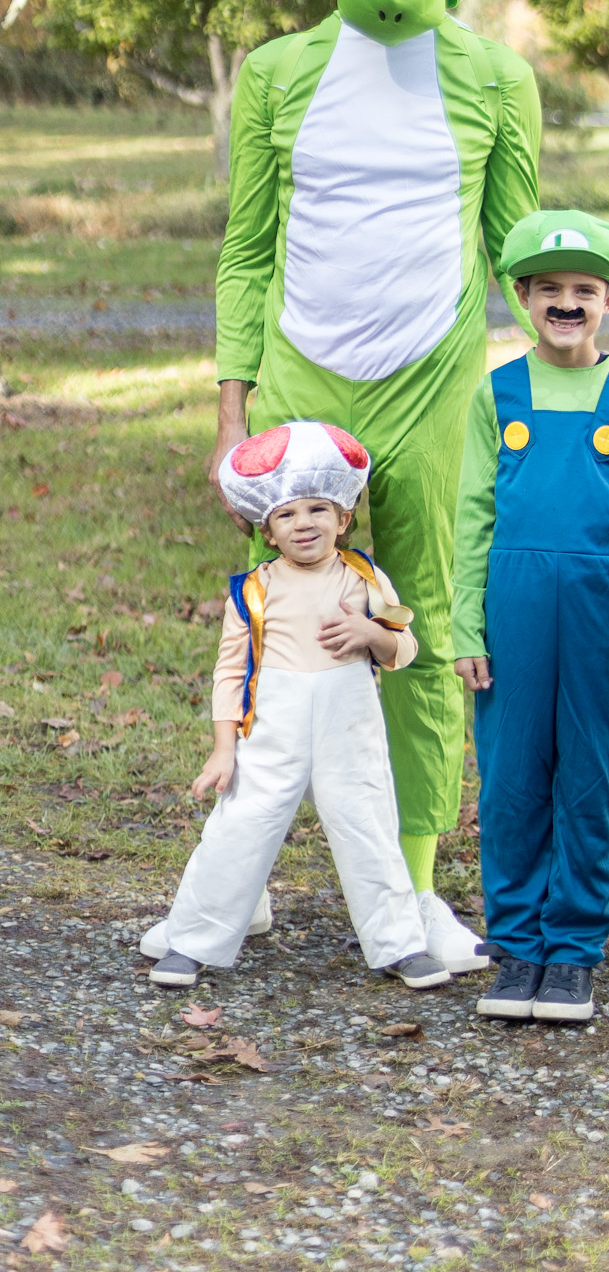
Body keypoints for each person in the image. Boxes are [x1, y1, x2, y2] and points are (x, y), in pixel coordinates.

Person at [210, 0, 540, 974]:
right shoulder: (277, 72)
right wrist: (230, 404)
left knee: (424, 627)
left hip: (436, 387)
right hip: (303, 389)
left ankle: (404, 883)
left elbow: (516, 250)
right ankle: (238, 860)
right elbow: (247, 249)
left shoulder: (495, 75)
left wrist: (547, 392)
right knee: (275, 620)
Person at [145, 422, 450, 992]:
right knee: (240, 826)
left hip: (348, 722)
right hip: (273, 727)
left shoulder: (363, 579)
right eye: (287, 515)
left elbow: (404, 649)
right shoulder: (253, 589)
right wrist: (222, 748)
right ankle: (195, 940)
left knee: (368, 825)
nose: (303, 523)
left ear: (343, 518)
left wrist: (370, 633)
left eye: (317, 509)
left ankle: (399, 944)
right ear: (267, 530)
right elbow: (230, 672)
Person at [452, 211, 609, 1025]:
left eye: (583, 289)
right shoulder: (495, 393)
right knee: (510, 778)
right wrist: (466, 626)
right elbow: (472, 515)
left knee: (586, 779)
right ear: (521, 298)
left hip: (599, 605)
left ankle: (571, 948)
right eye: (549, 289)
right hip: (511, 601)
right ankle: (516, 945)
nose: (566, 302)